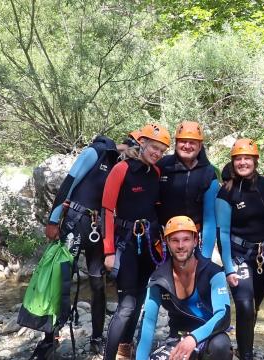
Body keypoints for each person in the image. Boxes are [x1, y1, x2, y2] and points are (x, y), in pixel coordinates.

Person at [43, 135, 121, 355]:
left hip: (94, 226)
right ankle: (51, 335)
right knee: (63, 280)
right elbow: (69, 184)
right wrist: (52, 219)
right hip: (76, 222)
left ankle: (96, 337)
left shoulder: (114, 161)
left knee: (97, 284)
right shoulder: (93, 153)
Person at [102, 123, 171, 360]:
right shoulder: (122, 169)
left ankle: (125, 347)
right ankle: (109, 356)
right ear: (142, 144)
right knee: (126, 305)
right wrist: (108, 251)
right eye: (154, 148)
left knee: (140, 298)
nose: (157, 154)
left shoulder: (156, 173)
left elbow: (155, 207)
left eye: (162, 151)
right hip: (126, 244)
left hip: (149, 244)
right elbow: (107, 210)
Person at [136, 215, 232, 360]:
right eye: (175, 240)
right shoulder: (158, 279)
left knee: (221, 346)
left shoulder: (213, 273)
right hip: (177, 339)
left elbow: (223, 315)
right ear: (167, 242)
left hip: (209, 338)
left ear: (195, 241)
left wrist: (193, 338)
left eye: (186, 239)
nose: (180, 245)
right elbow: (148, 323)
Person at [215, 139, 264, 360]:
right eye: (238, 159)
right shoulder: (227, 192)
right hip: (239, 255)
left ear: (255, 160)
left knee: (255, 305)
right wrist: (228, 268)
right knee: (245, 306)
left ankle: (243, 344)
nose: (242, 162)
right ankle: (246, 355)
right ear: (233, 162)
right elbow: (223, 233)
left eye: (247, 158)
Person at [156, 121, 219, 258]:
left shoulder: (208, 173)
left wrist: (205, 256)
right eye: (183, 141)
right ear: (176, 143)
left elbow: (209, 218)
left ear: (200, 146)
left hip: (193, 238)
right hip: (163, 238)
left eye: (192, 142)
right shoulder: (162, 166)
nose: (187, 146)